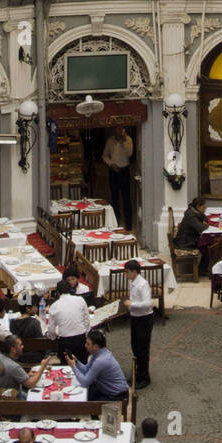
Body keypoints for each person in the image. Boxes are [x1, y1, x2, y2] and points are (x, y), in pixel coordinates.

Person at [67, 329, 130, 403]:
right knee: (87, 394)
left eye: (88, 344)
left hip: (117, 396)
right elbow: (86, 370)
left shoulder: (100, 360)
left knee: (86, 403)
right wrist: (76, 362)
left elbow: (85, 382)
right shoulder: (98, 353)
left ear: (95, 346)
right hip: (108, 389)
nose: (85, 345)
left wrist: (73, 367)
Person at [124, 259, 153, 389]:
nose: (126, 274)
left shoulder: (142, 284)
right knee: (135, 346)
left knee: (142, 349)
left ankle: (144, 377)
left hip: (144, 318)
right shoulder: (132, 282)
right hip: (135, 317)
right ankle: (137, 373)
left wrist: (132, 304)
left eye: (127, 272)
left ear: (134, 272)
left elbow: (147, 303)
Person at [47, 279, 91, 362]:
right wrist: (86, 335)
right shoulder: (80, 300)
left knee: (66, 367)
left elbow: (51, 329)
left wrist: (53, 338)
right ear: (70, 289)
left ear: (58, 292)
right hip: (80, 338)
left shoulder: (54, 306)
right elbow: (87, 321)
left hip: (65, 341)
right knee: (83, 365)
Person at [102, 126, 134, 231]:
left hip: (124, 170)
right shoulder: (110, 141)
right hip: (114, 171)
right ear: (114, 129)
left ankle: (128, 225)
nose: (119, 131)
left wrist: (124, 141)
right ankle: (116, 223)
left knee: (126, 199)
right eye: (118, 129)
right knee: (114, 198)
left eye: (122, 129)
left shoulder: (128, 140)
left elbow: (129, 153)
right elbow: (104, 156)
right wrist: (111, 164)